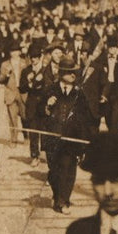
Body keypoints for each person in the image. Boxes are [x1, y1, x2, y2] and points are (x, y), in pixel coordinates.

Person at [41, 59, 97, 214]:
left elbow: (87, 119)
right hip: (52, 138)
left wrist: (88, 142)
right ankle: (57, 195)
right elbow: (38, 112)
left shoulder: (79, 94)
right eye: (69, 72)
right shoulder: (51, 90)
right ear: (61, 74)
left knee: (68, 170)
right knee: (53, 172)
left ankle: (63, 201)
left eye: (74, 72)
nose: (73, 75)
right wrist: (47, 105)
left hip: (71, 140)